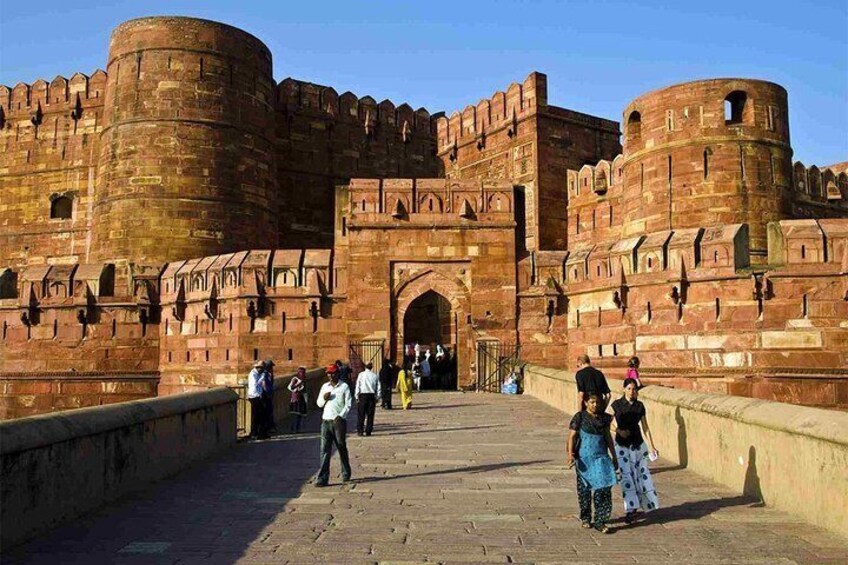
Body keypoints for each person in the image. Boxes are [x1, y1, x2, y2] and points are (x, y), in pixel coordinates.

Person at [567, 392, 619, 533]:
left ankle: (600, 520)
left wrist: (614, 456)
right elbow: (572, 437)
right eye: (592, 402)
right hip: (584, 459)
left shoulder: (603, 419)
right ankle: (585, 517)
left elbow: (608, 438)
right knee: (584, 490)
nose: (595, 405)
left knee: (604, 487)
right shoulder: (580, 417)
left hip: (601, 458)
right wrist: (570, 455)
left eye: (597, 402)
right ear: (586, 403)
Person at [611, 378, 659, 523]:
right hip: (622, 444)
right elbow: (607, 423)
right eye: (629, 389)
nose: (632, 392)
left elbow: (645, 427)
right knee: (626, 476)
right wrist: (618, 430)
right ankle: (630, 509)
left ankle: (643, 504)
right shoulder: (617, 405)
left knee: (641, 475)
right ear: (624, 389)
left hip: (637, 444)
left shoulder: (640, 406)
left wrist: (652, 445)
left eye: (634, 389)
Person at [315, 364, 353, 487]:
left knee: (341, 447)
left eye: (333, 373)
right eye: (329, 374)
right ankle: (322, 478)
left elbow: (348, 404)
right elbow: (319, 404)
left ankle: (346, 472)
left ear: (337, 373)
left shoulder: (344, 386)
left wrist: (340, 416)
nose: (331, 376)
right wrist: (324, 398)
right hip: (326, 421)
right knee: (324, 450)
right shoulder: (324, 387)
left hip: (338, 422)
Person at [355, 362, 381, 436]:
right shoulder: (375, 375)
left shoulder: (361, 375)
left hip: (363, 395)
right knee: (370, 414)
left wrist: (357, 396)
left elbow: (358, 386)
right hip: (371, 396)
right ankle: (368, 430)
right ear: (371, 367)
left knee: (361, 414)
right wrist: (378, 397)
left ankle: (360, 430)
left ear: (365, 367)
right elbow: (379, 387)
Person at [247, 360, 269, 439]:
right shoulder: (253, 374)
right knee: (256, 416)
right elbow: (254, 386)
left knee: (261, 416)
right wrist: (262, 378)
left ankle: (260, 433)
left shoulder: (258, 374)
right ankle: (255, 433)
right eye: (262, 368)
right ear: (259, 368)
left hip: (258, 396)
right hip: (254, 397)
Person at [288, 366, 308, 433]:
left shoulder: (304, 379)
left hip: (301, 398)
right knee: (295, 415)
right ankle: (293, 429)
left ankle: (297, 429)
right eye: (301, 372)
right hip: (295, 399)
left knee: (299, 415)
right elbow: (292, 387)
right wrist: (298, 384)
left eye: (303, 372)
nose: (303, 374)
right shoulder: (295, 379)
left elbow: (304, 390)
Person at [263, 359, 276, 434]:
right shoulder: (265, 374)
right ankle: (268, 428)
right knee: (267, 412)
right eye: (271, 367)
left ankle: (270, 427)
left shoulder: (268, 374)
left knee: (270, 412)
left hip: (269, 395)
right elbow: (264, 384)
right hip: (267, 396)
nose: (272, 368)